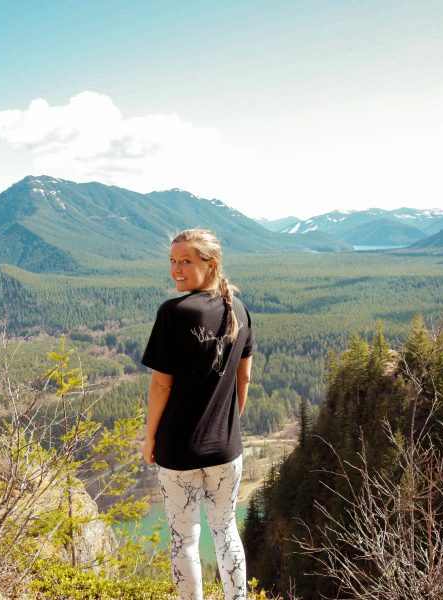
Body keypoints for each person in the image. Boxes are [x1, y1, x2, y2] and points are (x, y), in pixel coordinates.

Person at [141, 228, 254, 600]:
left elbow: (161, 386)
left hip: (178, 449)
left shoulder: (174, 312)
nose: (176, 269)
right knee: (226, 531)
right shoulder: (239, 310)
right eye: (173, 261)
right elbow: (244, 378)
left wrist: (150, 438)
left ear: (211, 263)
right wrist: (227, 426)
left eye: (186, 261)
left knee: (184, 538)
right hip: (226, 450)